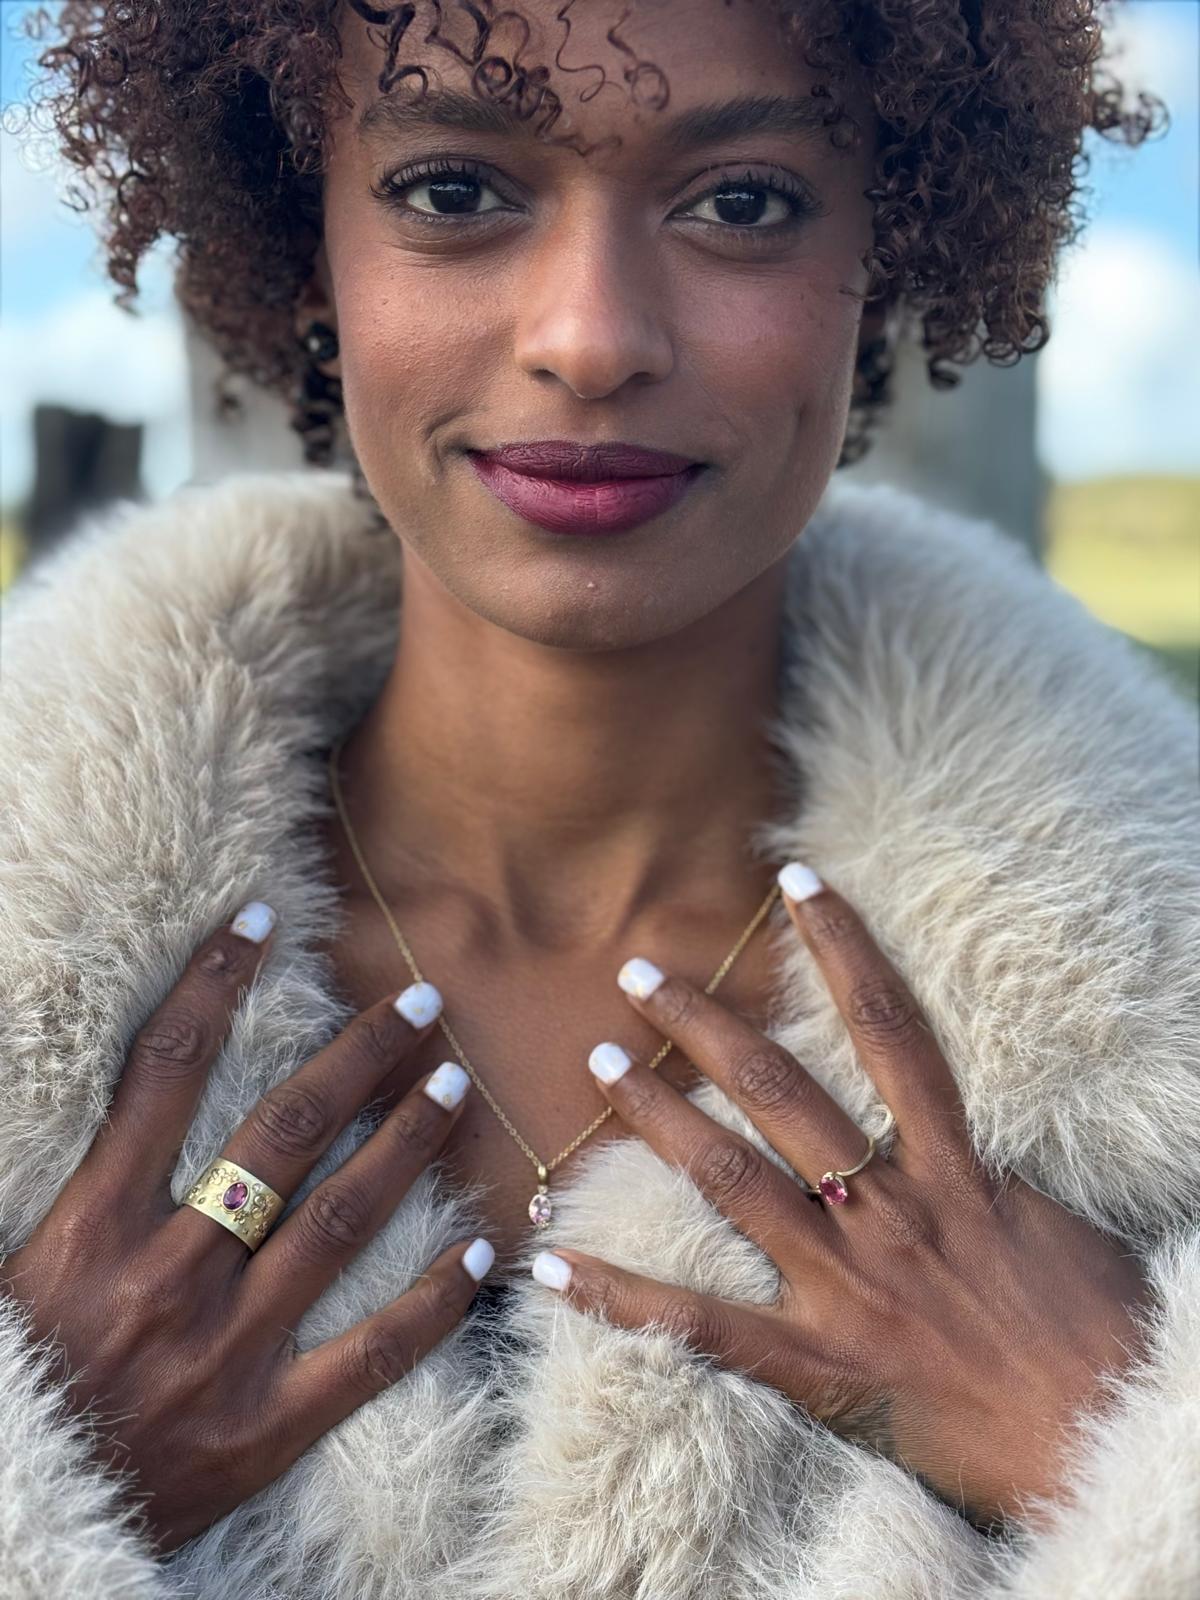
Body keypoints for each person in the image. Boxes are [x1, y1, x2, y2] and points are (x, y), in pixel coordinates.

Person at [1, 1, 1196, 1596]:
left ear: (889, 256)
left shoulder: (1159, 1057)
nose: (590, 335)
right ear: (307, 248)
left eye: (743, 202)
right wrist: (43, 1466)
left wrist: (1118, 1443)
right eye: (452, 190)